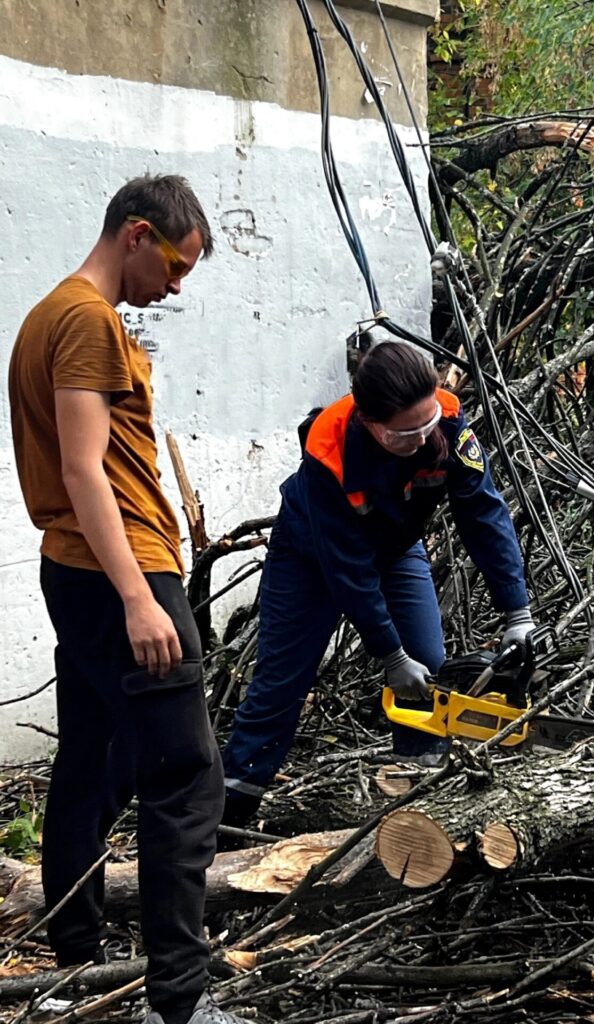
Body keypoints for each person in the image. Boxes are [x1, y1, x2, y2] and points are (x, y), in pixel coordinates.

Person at [8, 175, 244, 1024]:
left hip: (77, 573)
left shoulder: (46, 314)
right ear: (136, 233)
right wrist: (142, 599)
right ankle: (178, 1002)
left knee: (93, 759)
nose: (176, 287)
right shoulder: (86, 320)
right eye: (176, 265)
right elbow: (82, 469)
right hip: (123, 574)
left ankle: (73, 949)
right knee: (186, 778)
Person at [221, 341, 534, 825]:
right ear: (369, 421)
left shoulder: (447, 420)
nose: (422, 438)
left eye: (428, 424)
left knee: (427, 664)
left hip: (395, 546)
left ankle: (420, 795)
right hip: (312, 556)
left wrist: (518, 613)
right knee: (279, 687)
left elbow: (484, 514)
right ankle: (229, 817)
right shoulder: (329, 450)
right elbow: (347, 570)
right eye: (406, 434)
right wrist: (389, 655)